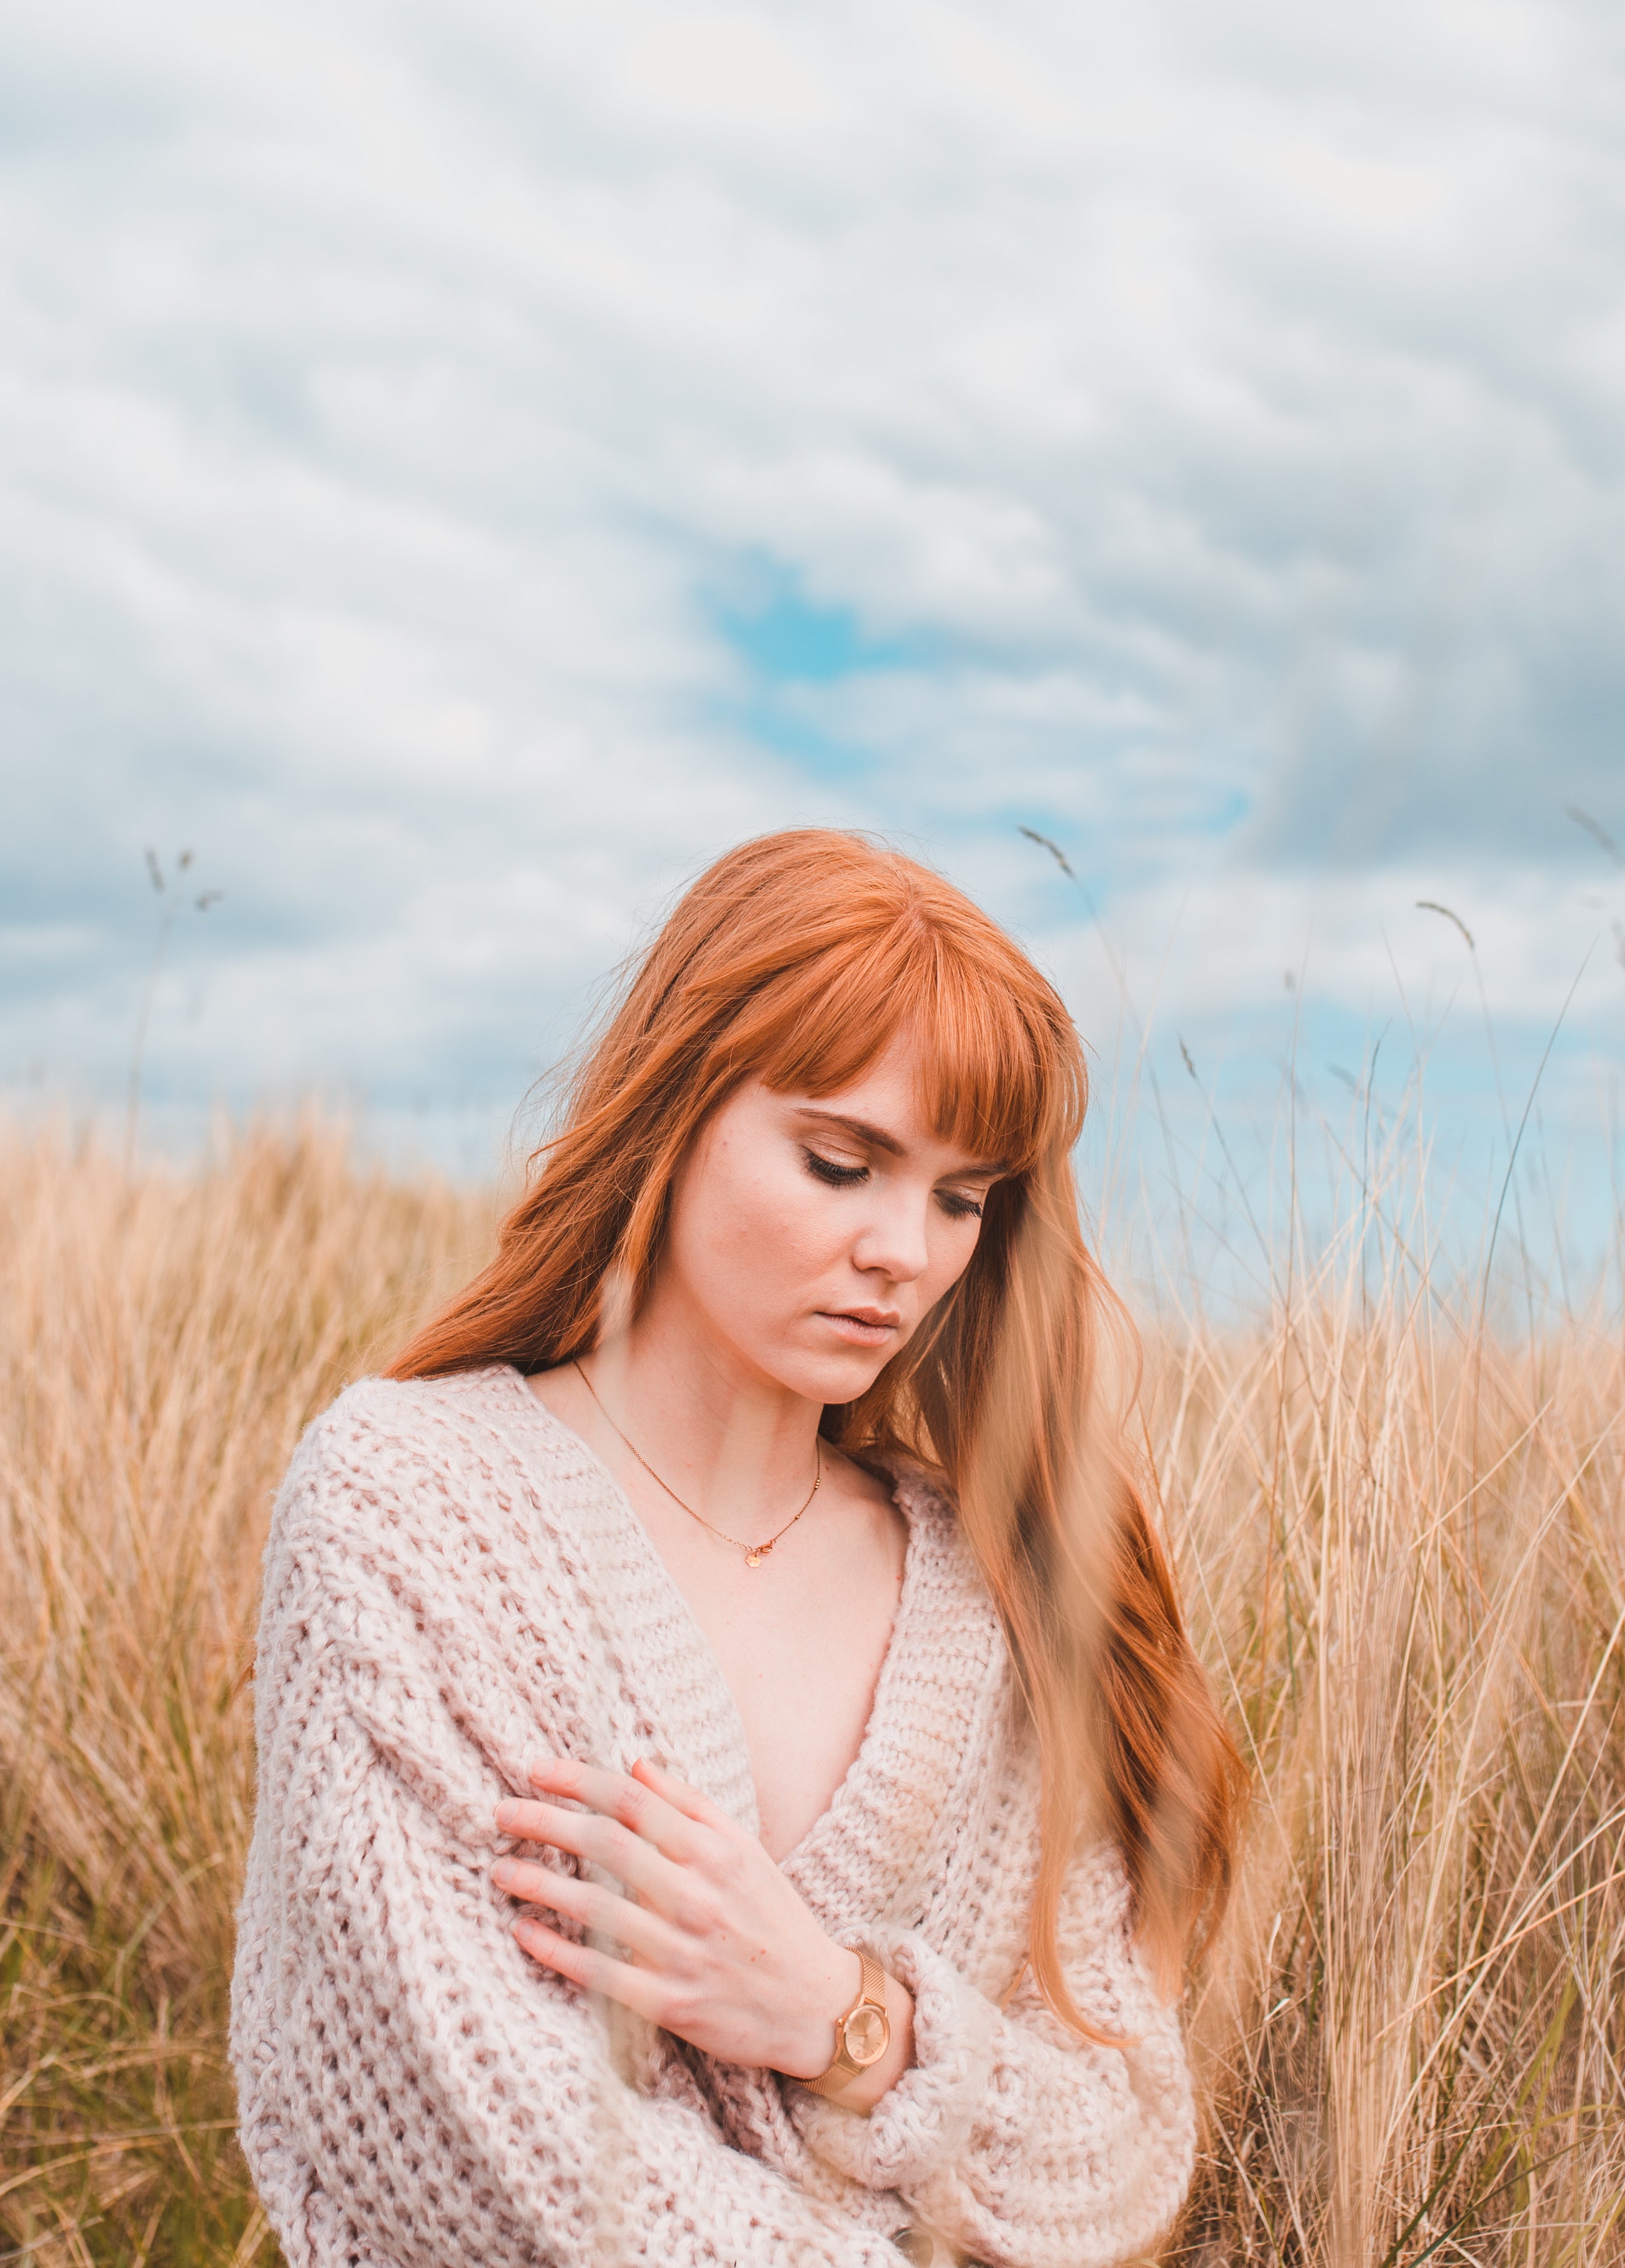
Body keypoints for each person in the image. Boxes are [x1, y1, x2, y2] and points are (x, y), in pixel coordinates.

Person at [228, 831, 1244, 2266]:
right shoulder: (409, 1498)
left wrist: (844, 2018)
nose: (906, 1247)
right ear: (675, 1112)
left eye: (962, 1199)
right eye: (843, 1164)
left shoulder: (989, 1596)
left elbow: (1122, 2146)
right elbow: (450, 2127)